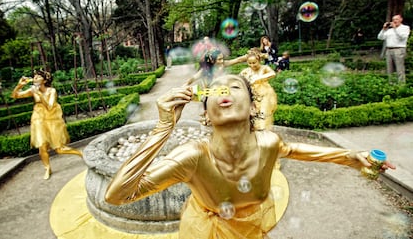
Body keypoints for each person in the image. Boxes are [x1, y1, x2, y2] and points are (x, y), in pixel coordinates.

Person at [105, 74, 395, 239]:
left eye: (234, 86)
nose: (224, 91)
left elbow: (296, 151)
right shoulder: (192, 156)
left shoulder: (269, 143)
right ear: (205, 114)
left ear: (254, 106)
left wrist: (352, 156)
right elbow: (117, 196)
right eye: (215, 90)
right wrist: (164, 127)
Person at [11, 69, 82, 179]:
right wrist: (19, 86)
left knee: (59, 149)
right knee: (42, 146)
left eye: (38, 77)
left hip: (52, 119)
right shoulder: (32, 90)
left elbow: (49, 107)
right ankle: (47, 168)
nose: (35, 78)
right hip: (38, 118)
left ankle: (80, 153)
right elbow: (15, 95)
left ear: (44, 80)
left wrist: (39, 93)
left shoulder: (51, 91)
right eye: (34, 76)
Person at [239, 50, 277, 130]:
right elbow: (239, 79)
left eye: (254, 63)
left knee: (263, 112)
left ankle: (263, 130)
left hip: (264, 94)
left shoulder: (264, 68)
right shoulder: (245, 71)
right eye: (250, 63)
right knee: (252, 113)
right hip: (251, 95)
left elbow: (273, 73)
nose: (252, 65)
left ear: (259, 60)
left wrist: (258, 78)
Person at [377, 14, 410, 83]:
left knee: (399, 68)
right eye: (393, 19)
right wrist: (384, 29)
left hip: (399, 49)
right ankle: (391, 84)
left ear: (401, 19)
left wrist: (395, 29)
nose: (394, 21)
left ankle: (401, 85)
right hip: (389, 50)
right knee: (389, 69)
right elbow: (380, 37)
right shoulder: (389, 30)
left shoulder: (405, 28)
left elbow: (402, 37)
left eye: (396, 19)